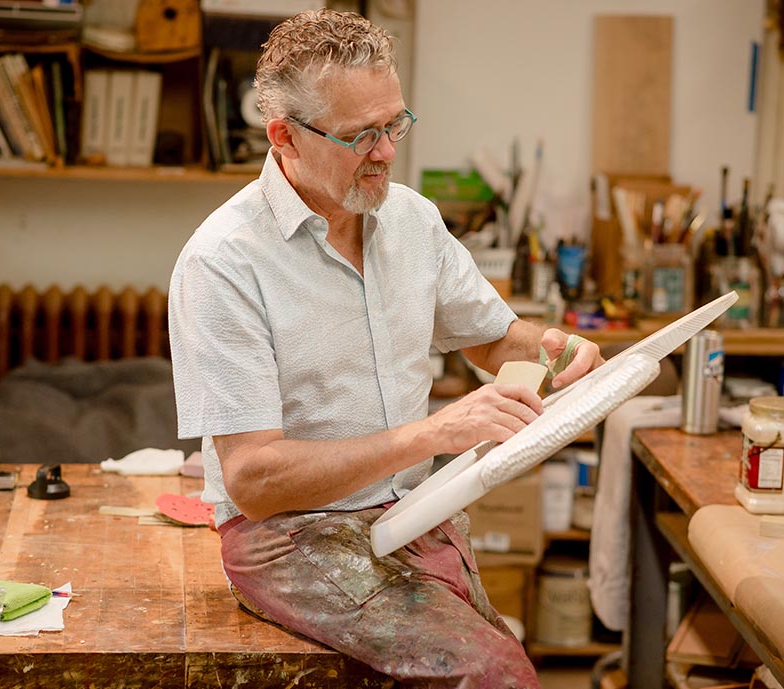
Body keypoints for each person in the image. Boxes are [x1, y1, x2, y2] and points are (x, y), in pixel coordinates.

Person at [168, 8, 602, 688]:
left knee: (503, 658)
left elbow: (492, 337)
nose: (387, 152)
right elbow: (252, 479)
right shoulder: (224, 263)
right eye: (360, 135)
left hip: (413, 513)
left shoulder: (410, 220)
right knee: (496, 675)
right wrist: (430, 433)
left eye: (394, 123)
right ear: (284, 137)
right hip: (289, 535)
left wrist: (553, 348)